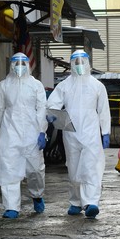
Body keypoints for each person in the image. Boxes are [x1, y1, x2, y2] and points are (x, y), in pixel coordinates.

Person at [46, 50, 111, 219]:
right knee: (73, 169)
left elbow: (104, 110)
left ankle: (91, 203)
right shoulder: (64, 85)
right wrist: (53, 114)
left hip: (91, 132)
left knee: (91, 167)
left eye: (83, 61)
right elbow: (52, 103)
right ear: (71, 64)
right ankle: (75, 201)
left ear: (88, 63)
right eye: (76, 62)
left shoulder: (97, 86)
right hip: (70, 132)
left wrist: (105, 131)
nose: (79, 65)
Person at [0, 52, 47, 219]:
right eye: (16, 63)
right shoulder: (4, 85)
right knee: (9, 169)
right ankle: (11, 207)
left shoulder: (36, 85)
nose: (19, 67)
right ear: (11, 66)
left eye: (23, 64)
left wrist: (42, 131)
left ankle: (37, 194)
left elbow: (41, 109)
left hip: (32, 133)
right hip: (10, 133)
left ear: (28, 65)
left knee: (35, 170)